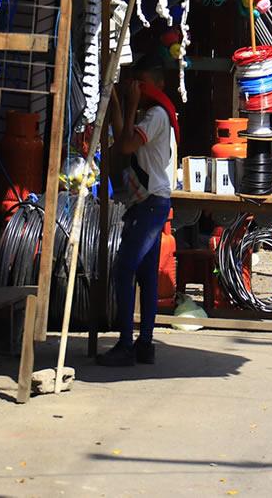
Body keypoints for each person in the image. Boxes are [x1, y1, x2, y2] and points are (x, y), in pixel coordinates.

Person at [99, 57, 178, 367]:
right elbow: (122, 137)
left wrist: (130, 106)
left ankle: (126, 343)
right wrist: (118, 103)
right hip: (148, 202)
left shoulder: (156, 115)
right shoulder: (151, 115)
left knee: (124, 268)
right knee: (145, 274)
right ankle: (144, 343)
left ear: (157, 86)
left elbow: (127, 147)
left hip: (151, 202)